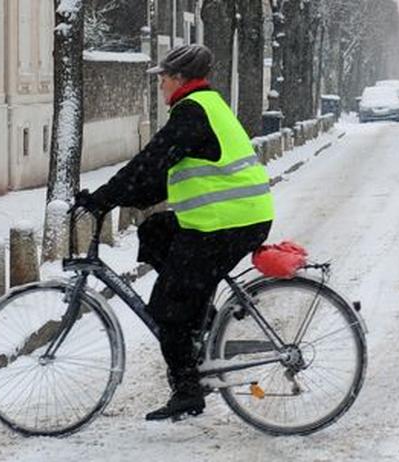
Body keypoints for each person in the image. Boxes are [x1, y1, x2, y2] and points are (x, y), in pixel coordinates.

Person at [75, 44, 274, 421]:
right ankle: (200, 313)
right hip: (229, 216)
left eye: (163, 77)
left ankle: (187, 391)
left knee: (168, 308)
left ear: (179, 79)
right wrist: (118, 198)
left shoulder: (192, 113)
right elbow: (162, 176)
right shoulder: (203, 106)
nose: (160, 84)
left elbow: (150, 162)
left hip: (228, 221)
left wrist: (103, 198)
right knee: (155, 231)